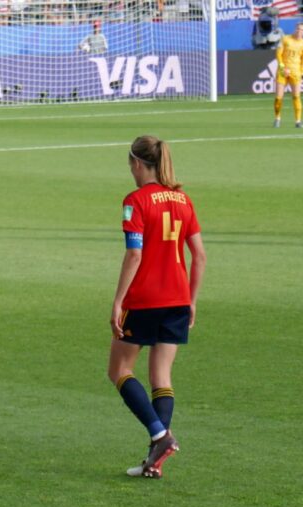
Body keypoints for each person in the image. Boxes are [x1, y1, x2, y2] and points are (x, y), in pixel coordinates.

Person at [108, 135, 206, 480]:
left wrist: (119, 300)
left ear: (137, 163)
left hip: (146, 299)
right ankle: (155, 457)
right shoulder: (183, 199)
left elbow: (134, 254)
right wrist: (191, 300)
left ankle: (160, 435)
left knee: (119, 370)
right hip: (178, 298)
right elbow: (200, 256)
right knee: (161, 377)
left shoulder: (135, 201)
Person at [273, 22, 303, 129]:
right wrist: (282, 67)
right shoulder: (285, 39)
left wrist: (301, 71)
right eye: (298, 28)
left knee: (296, 96)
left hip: (296, 73)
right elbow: (278, 54)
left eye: (302, 30)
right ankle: (277, 118)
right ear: (295, 29)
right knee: (279, 97)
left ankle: (298, 121)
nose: (299, 31)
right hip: (283, 71)